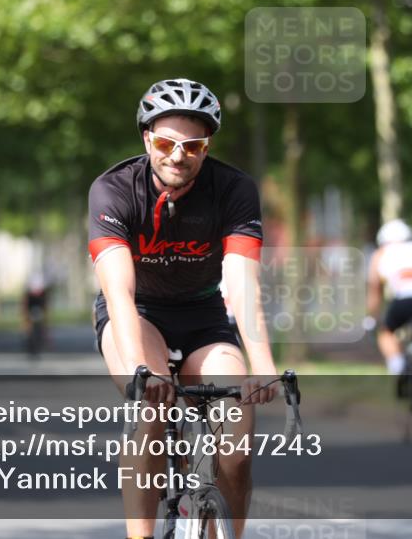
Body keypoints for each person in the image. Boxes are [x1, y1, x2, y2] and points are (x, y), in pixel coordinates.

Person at [88, 78, 277, 539]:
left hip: (203, 319)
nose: (178, 154)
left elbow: (241, 281)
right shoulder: (113, 190)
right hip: (138, 316)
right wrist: (140, 368)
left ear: (206, 148)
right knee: (149, 413)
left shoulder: (234, 189)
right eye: (166, 142)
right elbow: (119, 292)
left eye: (192, 145)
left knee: (237, 438)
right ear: (146, 139)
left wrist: (264, 364)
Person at [367, 218, 412, 422]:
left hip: (401, 302)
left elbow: (374, 291)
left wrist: (373, 317)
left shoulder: (381, 254)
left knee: (385, 332)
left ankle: (397, 366)